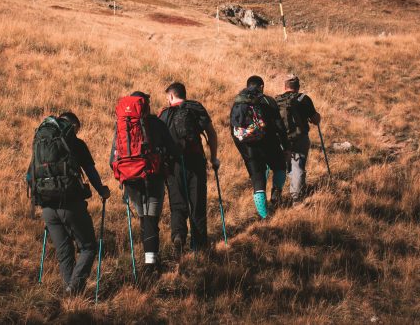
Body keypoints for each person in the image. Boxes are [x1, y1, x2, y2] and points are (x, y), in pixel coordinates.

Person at [26, 111, 111, 295]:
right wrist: (102, 190)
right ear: (72, 126)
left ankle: (70, 293)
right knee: (88, 247)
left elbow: (29, 175)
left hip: (47, 206)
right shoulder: (75, 143)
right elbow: (90, 170)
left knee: (64, 250)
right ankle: (74, 287)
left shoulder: (40, 144)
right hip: (71, 204)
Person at [110, 91, 180, 280]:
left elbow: (113, 157)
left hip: (130, 177)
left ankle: (151, 259)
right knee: (151, 217)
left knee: (143, 217)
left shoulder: (122, 125)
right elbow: (172, 150)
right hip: (153, 176)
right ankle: (150, 264)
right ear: (145, 105)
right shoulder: (156, 123)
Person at [158, 81, 219, 253]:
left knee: (177, 204)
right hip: (196, 160)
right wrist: (213, 158)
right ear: (184, 94)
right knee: (197, 203)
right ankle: (199, 247)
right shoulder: (195, 108)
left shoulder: (163, 114)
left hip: (172, 165)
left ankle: (178, 236)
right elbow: (211, 134)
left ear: (171, 96)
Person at [230, 75, 289, 219]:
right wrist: (286, 146)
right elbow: (280, 126)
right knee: (280, 167)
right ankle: (276, 192)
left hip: (249, 148)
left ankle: (264, 216)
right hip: (270, 145)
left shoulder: (238, 102)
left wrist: (244, 151)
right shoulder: (268, 101)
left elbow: (234, 130)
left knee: (258, 180)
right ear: (261, 87)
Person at [275, 75, 322, 202]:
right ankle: (297, 198)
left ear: (284, 87)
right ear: (298, 87)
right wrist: (317, 117)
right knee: (298, 167)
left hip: (281, 140)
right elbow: (315, 120)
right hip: (300, 138)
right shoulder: (303, 99)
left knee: (281, 168)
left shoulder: (276, 100)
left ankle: (276, 197)